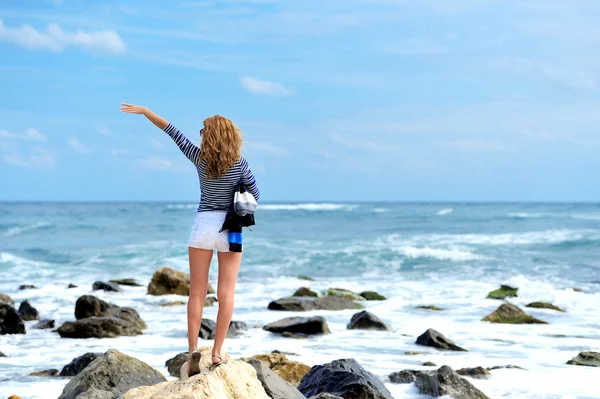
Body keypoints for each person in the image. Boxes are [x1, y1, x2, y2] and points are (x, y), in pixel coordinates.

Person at [120, 103, 260, 374]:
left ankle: (193, 350)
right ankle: (217, 353)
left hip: (203, 225)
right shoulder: (240, 163)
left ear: (208, 137)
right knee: (226, 293)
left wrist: (147, 112)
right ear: (232, 137)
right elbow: (254, 192)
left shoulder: (200, 158)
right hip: (230, 228)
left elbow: (173, 132)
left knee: (196, 293)